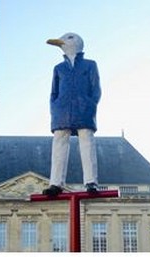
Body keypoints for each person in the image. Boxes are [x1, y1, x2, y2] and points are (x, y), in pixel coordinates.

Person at [42, 32, 102, 197]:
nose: (62, 41)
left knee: (87, 143)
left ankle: (91, 182)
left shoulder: (90, 65)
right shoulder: (59, 68)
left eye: (67, 38)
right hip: (61, 111)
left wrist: (90, 104)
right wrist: (55, 107)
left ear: (77, 43)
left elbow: (96, 89)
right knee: (59, 144)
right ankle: (55, 183)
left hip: (84, 109)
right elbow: (53, 92)